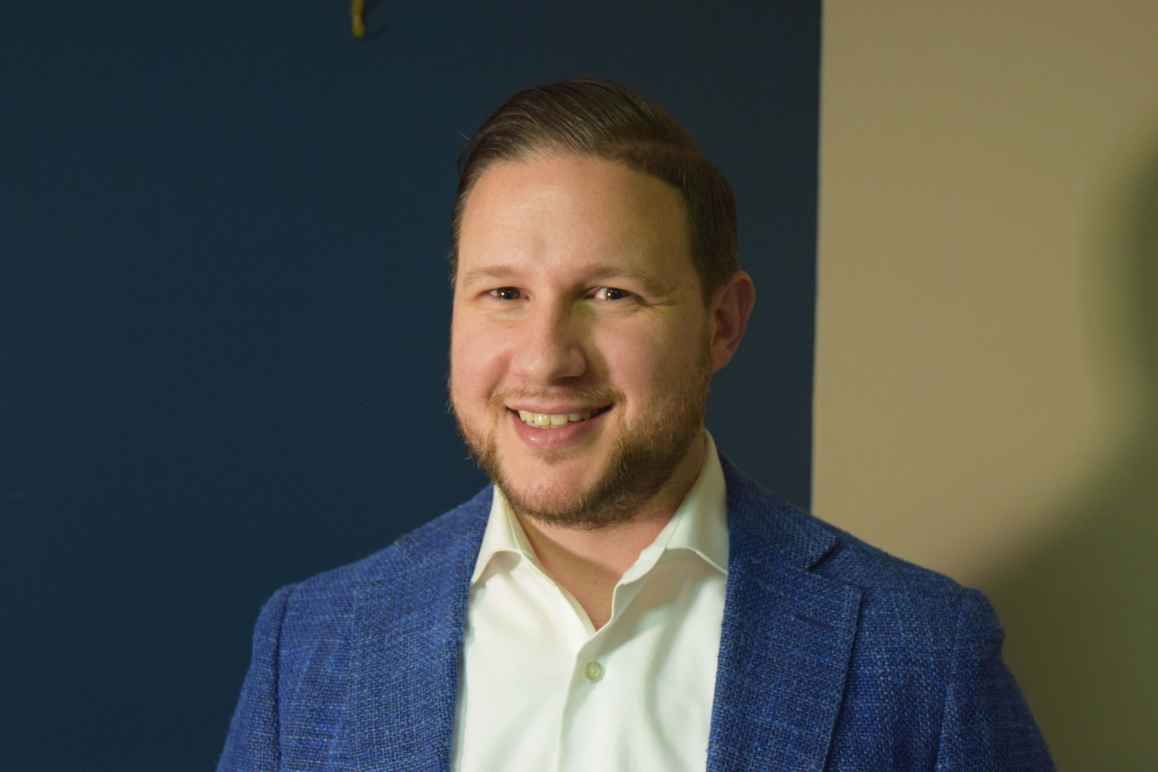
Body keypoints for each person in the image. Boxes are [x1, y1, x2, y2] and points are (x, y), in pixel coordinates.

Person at [217, 80, 1052, 771]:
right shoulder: (312, 646)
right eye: (503, 294)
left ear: (722, 324)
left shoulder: (923, 657)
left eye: (609, 294)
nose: (545, 360)